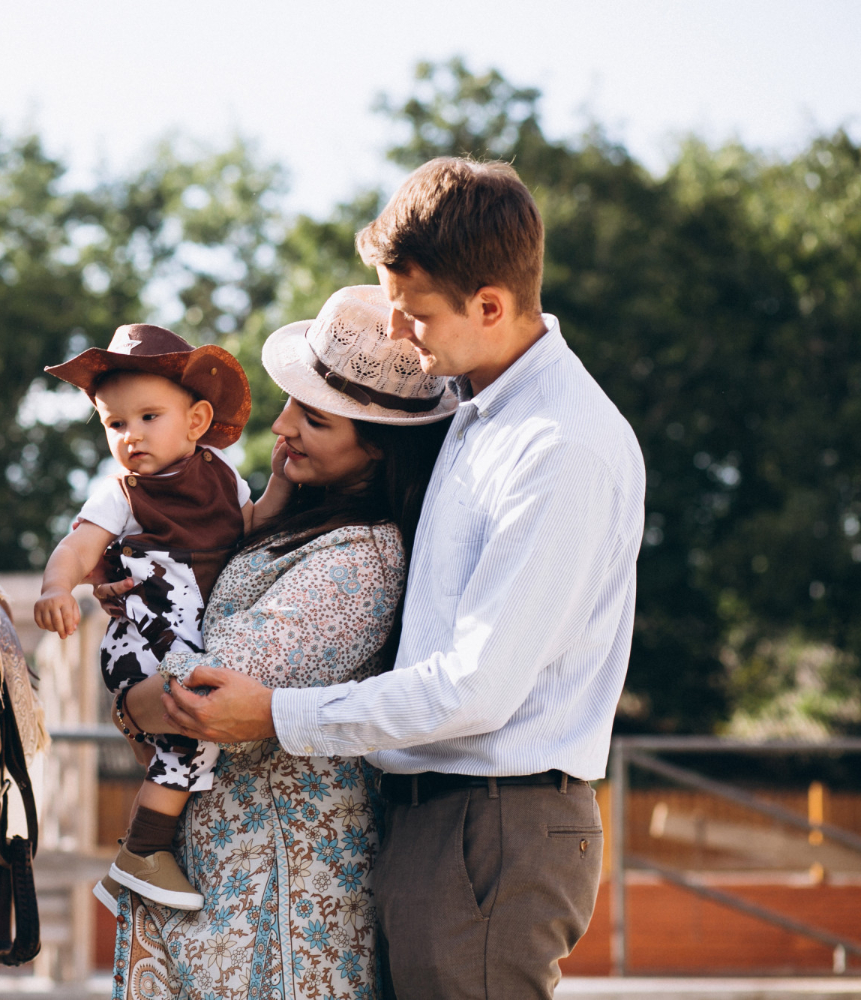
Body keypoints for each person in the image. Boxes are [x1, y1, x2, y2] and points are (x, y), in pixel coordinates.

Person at [154, 158, 646, 999]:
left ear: (489, 306)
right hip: (437, 817)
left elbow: (475, 689)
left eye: (414, 311)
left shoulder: (558, 449)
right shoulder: (476, 410)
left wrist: (274, 712)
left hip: (492, 821)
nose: (397, 328)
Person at [105, 285, 454, 1000]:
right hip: (220, 882)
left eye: (315, 420)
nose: (282, 425)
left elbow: (201, 692)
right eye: (292, 402)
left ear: (378, 451)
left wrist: (130, 691)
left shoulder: (363, 558)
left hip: (277, 898)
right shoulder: (281, 523)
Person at [33, 324, 255, 910]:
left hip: (187, 640)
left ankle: (134, 867)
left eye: (149, 417)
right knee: (192, 728)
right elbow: (77, 548)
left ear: (197, 420)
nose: (131, 435)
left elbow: (254, 531)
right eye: (115, 424)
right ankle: (142, 851)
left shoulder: (226, 479)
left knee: (188, 742)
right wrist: (56, 586)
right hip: (142, 641)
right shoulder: (123, 494)